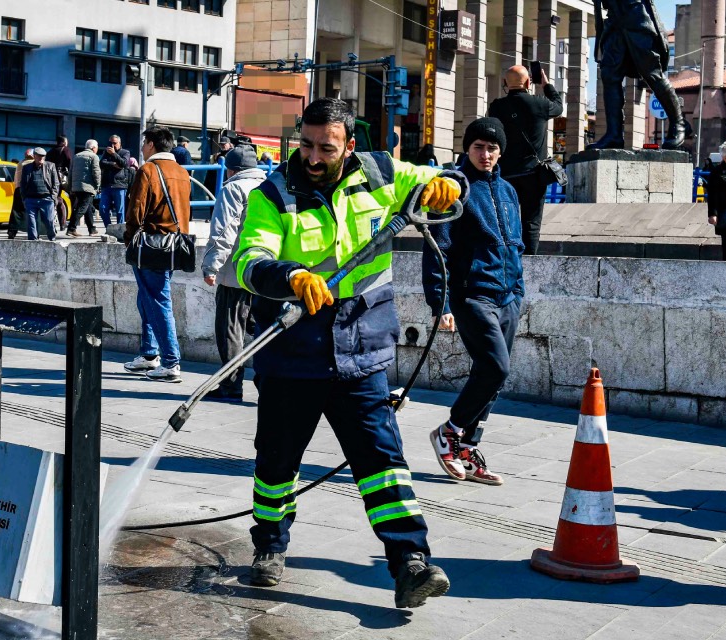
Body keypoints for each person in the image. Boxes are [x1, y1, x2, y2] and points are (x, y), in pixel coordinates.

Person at [231, 98, 462, 607]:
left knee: (382, 462)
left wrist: (444, 185)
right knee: (276, 463)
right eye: (306, 145)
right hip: (292, 350)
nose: (312, 157)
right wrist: (291, 276)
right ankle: (269, 546)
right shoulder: (274, 194)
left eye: (326, 148)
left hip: (361, 349)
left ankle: (410, 563)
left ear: (349, 146)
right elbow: (250, 258)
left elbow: (433, 181)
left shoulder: (379, 172)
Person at [423, 117, 525, 487]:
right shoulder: (455, 188)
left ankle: (467, 446)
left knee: (493, 379)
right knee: (496, 368)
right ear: (467, 148)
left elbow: (515, 244)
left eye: (493, 148)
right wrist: (441, 303)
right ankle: (449, 432)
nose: (486, 154)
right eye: (479, 147)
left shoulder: (509, 192)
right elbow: (438, 248)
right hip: (472, 295)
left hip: (508, 296)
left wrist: (519, 288)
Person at [122, 126, 191, 383]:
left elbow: (136, 210)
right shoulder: (182, 172)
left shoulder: (148, 170)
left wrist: (129, 239)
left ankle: (171, 361)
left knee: (158, 300)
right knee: (147, 298)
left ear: (151, 144)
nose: (141, 148)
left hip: (151, 244)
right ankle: (149, 354)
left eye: (144, 143)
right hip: (172, 244)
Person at [200, 144, 266, 401]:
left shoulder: (233, 188)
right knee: (262, 330)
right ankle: (267, 384)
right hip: (262, 274)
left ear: (231, 170)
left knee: (229, 331)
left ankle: (231, 385)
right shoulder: (268, 186)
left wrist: (211, 266)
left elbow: (224, 231)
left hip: (235, 275)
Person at [487, 65, 563, 255]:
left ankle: (507, 259)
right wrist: (546, 85)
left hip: (506, 175)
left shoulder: (496, 107)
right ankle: (529, 263)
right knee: (531, 222)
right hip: (534, 175)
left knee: (505, 220)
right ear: (529, 82)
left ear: (505, 83)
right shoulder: (540, 104)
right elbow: (559, 106)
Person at [590, 0, 685, 149]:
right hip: (614, 18)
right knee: (609, 74)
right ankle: (614, 134)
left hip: (635, 13)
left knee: (652, 74)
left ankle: (678, 124)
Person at [20, 147, 62, 241]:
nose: (41, 158)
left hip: (46, 199)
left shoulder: (51, 166)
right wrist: (24, 198)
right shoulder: (26, 168)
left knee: (49, 221)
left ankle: (52, 238)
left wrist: (53, 196)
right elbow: (22, 183)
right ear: (34, 156)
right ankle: (33, 241)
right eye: (39, 156)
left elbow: (56, 183)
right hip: (31, 199)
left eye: (43, 157)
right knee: (31, 222)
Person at [67, 139, 102, 237]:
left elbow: (70, 173)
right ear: (93, 148)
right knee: (82, 208)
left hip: (77, 187)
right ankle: (71, 228)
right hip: (88, 187)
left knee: (88, 208)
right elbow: (96, 173)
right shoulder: (94, 157)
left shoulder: (76, 156)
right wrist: (98, 185)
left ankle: (92, 229)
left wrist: (71, 186)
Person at [99, 135, 132, 227]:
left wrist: (114, 154)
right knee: (103, 208)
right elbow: (101, 163)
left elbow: (124, 164)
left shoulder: (125, 152)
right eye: (111, 143)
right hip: (106, 185)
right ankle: (108, 228)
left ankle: (120, 230)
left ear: (119, 143)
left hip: (119, 185)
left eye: (115, 143)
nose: (112, 145)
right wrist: (113, 164)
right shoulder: (106, 152)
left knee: (120, 211)